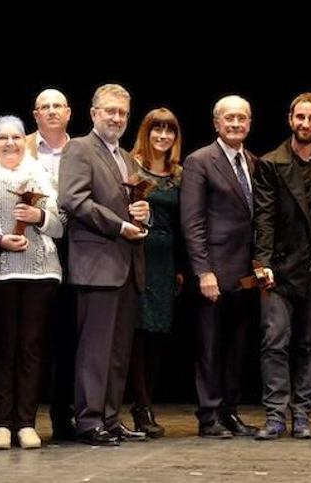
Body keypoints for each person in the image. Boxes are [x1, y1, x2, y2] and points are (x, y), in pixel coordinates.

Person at [58, 83, 149, 446]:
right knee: (95, 349)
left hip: (127, 264)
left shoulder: (127, 158)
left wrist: (144, 214)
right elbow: (72, 198)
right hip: (97, 262)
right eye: (109, 111)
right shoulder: (79, 148)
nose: (116, 118)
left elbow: (133, 206)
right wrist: (119, 225)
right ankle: (89, 419)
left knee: (117, 351)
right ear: (94, 113)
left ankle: (110, 418)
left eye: (122, 113)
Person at [0, 115, 63, 450]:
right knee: (3, 346)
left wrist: (39, 217)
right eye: (2, 138)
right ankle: (1, 423)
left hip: (40, 270)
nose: (10, 143)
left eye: (15, 137)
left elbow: (60, 225)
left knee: (31, 347)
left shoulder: (40, 175)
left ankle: (26, 422)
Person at [251, 92, 311, 440]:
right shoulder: (271, 162)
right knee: (275, 340)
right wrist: (262, 262)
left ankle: (302, 414)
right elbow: (264, 218)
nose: (305, 124)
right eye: (300, 117)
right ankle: (275, 415)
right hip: (281, 265)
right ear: (290, 119)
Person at [180, 94, 258, 438]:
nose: (236, 124)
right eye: (229, 118)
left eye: (242, 118)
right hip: (213, 271)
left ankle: (230, 411)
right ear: (216, 123)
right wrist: (203, 271)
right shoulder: (200, 161)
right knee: (209, 347)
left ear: (250, 122)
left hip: (244, 275)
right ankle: (209, 415)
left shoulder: (253, 162)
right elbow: (192, 221)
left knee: (236, 348)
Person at [126, 107, 184, 438]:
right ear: (146, 133)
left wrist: (181, 267)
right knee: (138, 331)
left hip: (166, 260)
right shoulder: (132, 166)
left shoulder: (179, 173)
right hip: (138, 252)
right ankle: (141, 405)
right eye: (157, 129)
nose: (163, 136)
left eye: (169, 130)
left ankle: (146, 401)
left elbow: (183, 223)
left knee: (158, 333)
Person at [26, 88, 76, 441]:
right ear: (36, 114)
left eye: (58, 106)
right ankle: (23, 418)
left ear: (69, 112)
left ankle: (64, 415)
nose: (52, 111)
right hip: (32, 248)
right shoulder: (19, 145)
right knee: (33, 337)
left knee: (71, 335)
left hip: (80, 247)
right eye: (45, 107)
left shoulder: (84, 148)